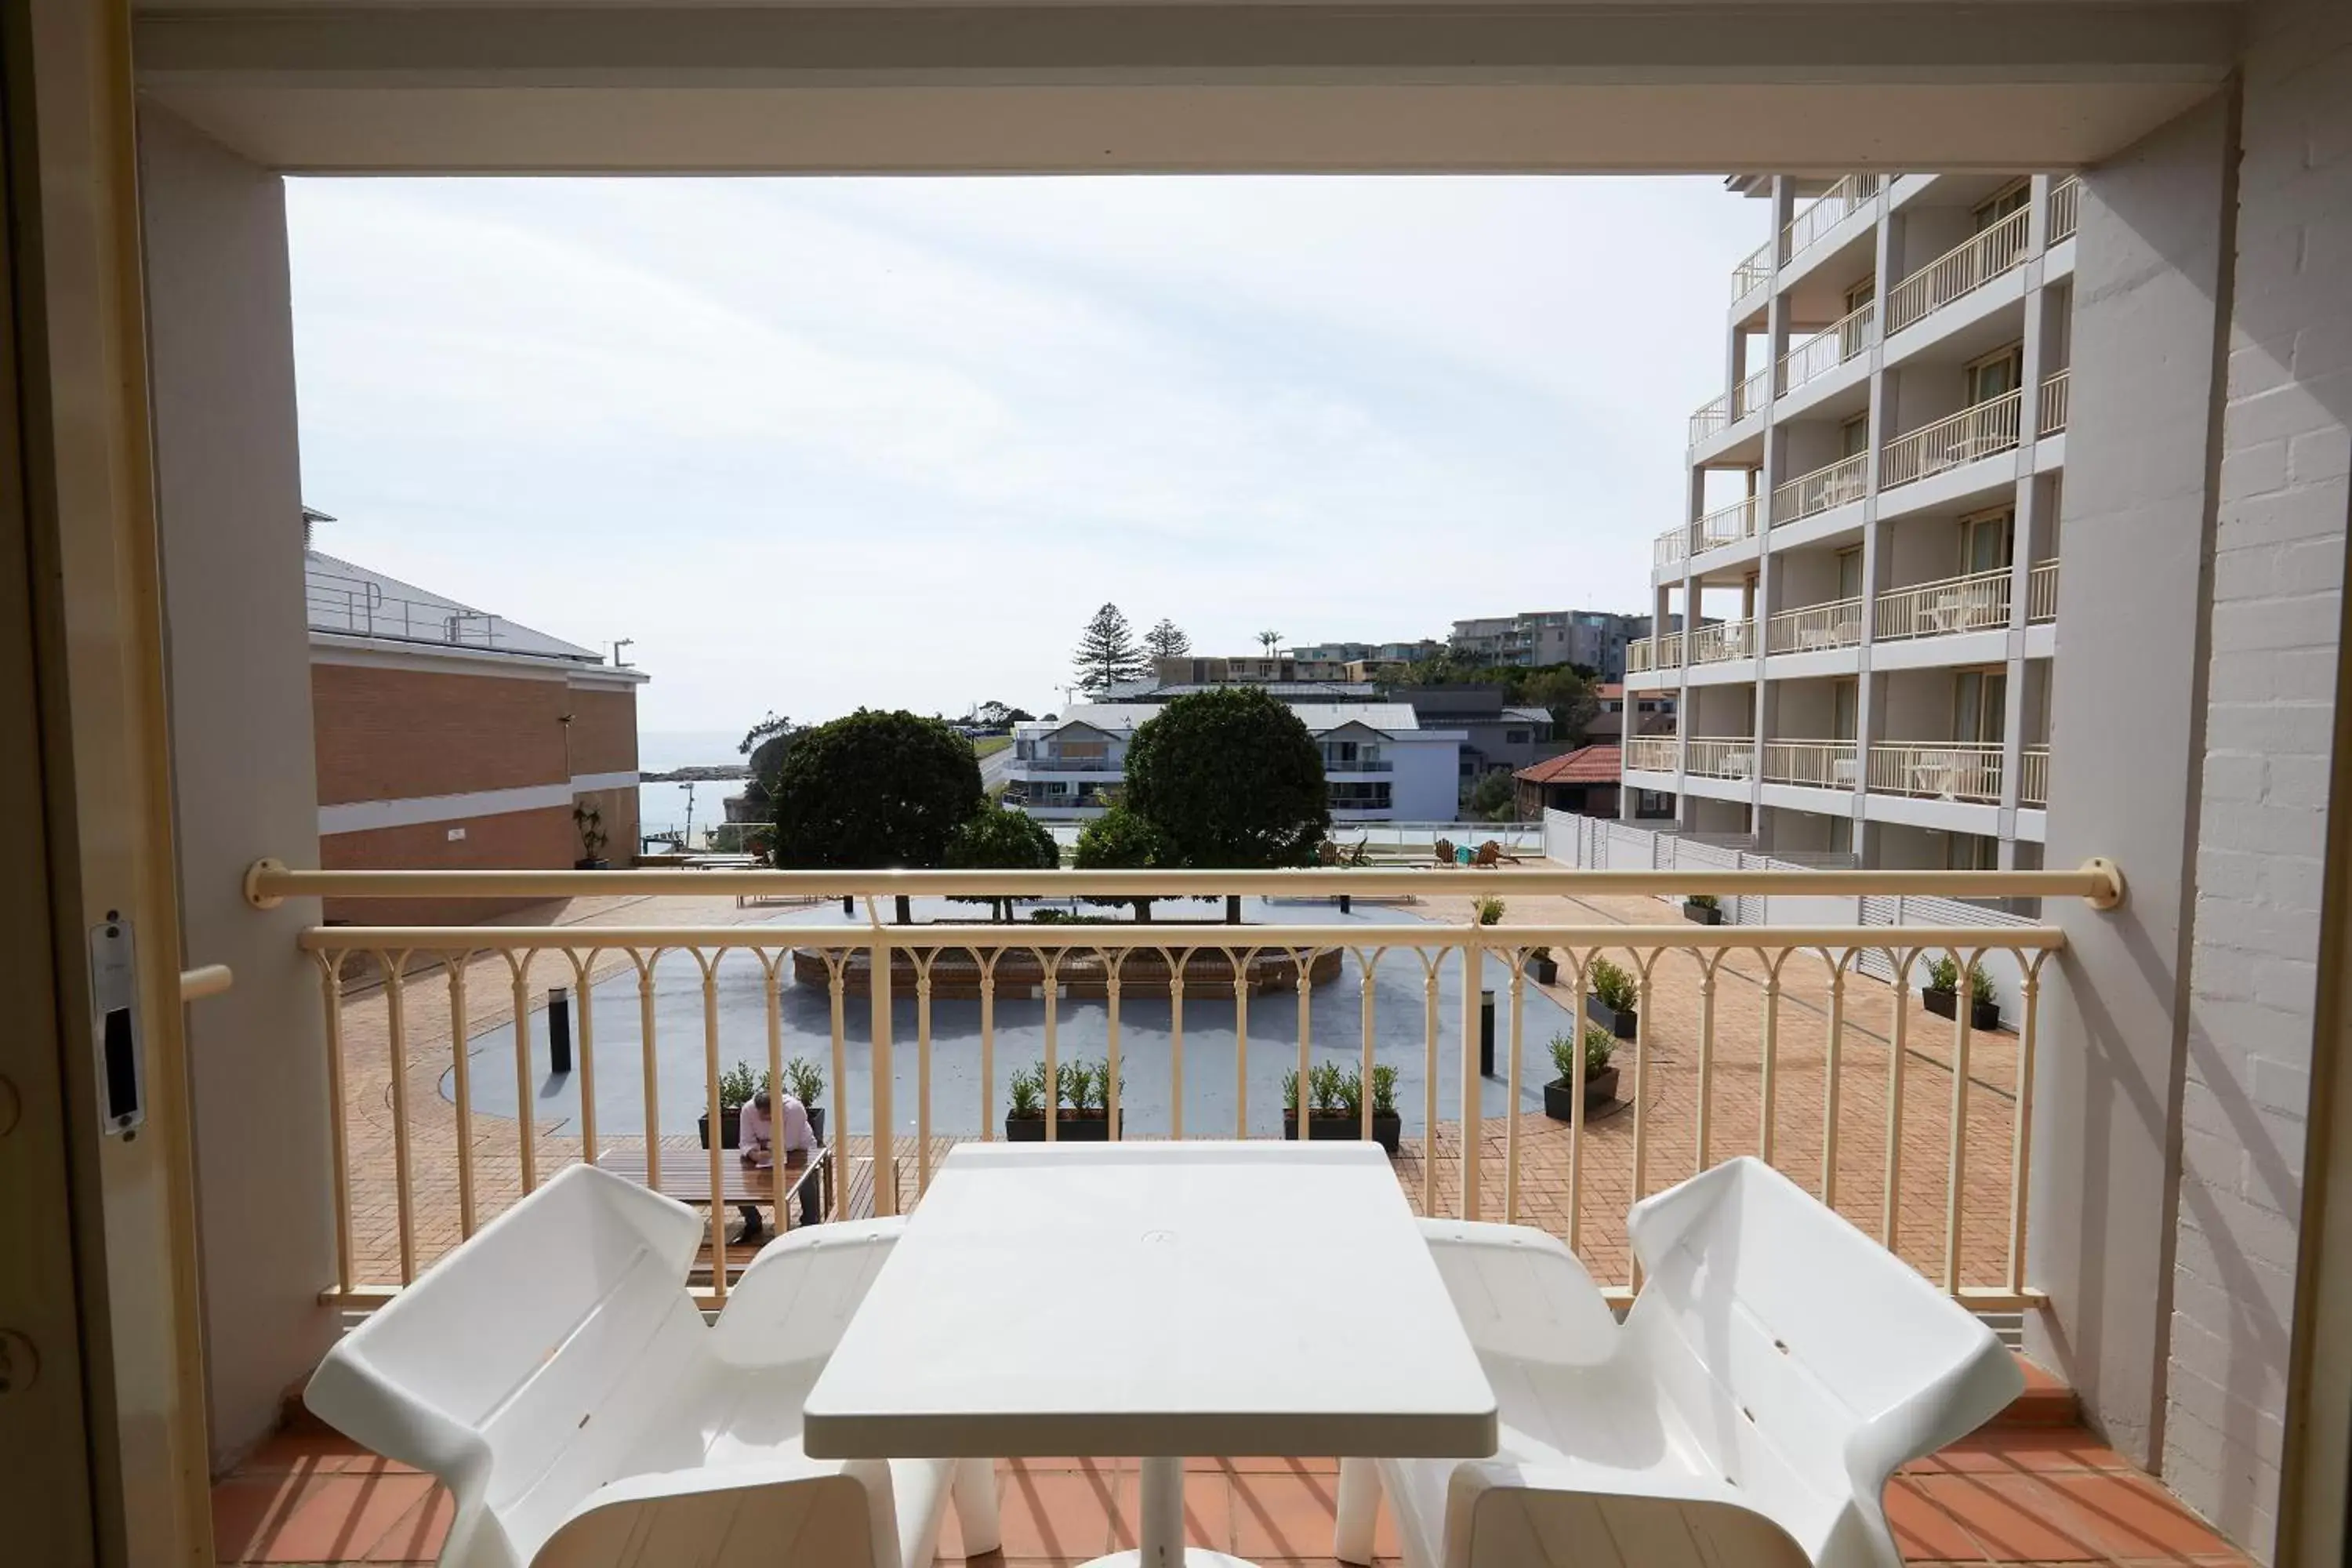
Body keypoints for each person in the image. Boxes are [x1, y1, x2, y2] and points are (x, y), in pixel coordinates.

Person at [735, 1087, 821, 1240]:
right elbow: (745, 1141)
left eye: (771, 1115)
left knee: (806, 1178)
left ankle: (810, 1222)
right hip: (764, 1154)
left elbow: (790, 1143)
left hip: (800, 1150)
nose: (768, 1119)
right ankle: (753, 1221)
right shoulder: (748, 1111)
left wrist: (764, 1144)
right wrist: (753, 1153)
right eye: (764, 1116)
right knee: (739, 1179)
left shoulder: (795, 1109)